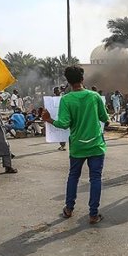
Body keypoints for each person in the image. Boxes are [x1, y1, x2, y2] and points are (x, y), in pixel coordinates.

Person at [42, 66, 108, 224]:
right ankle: (93, 214)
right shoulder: (94, 96)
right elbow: (104, 117)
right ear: (82, 79)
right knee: (96, 178)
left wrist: (48, 119)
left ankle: (69, 208)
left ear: (68, 81)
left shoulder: (66, 99)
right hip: (96, 145)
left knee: (73, 177)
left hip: (77, 146)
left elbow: (64, 124)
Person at [53, 86, 67, 151]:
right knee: (60, 132)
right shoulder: (54, 99)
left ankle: (63, 145)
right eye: (57, 90)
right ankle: (62, 145)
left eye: (59, 90)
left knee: (63, 131)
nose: (59, 91)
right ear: (55, 92)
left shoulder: (63, 97)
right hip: (58, 116)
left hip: (63, 115)